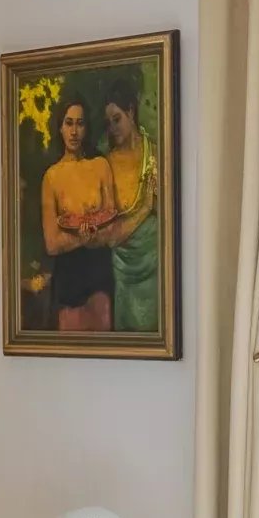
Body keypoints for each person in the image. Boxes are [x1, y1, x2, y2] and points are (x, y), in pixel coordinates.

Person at [34, 94, 120, 332]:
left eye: (80, 124)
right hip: (68, 278)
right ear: (60, 128)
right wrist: (84, 238)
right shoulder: (51, 177)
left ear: (87, 128)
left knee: (103, 344)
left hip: (99, 273)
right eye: (68, 123)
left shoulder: (101, 166)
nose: (74, 132)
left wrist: (95, 235)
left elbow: (112, 226)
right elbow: (52, 244)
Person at [98, 83, 164, 334]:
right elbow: (111, 236)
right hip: (124, 271)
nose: (113, 128)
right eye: (108, 123)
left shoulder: (155, 155)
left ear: (131, 113)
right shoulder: (107, 165)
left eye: (117, 119)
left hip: (156, 264)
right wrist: (146, 206)